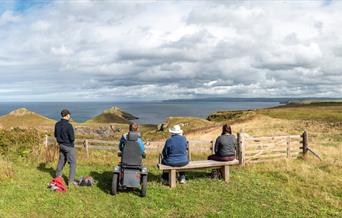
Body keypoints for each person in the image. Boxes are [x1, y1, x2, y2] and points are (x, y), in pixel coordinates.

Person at [54, 109, 77, 186]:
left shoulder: (57, 124)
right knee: (72, 163)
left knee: (61, 160)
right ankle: (70, 181)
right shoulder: (69, 125)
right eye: (69, 115)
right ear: (67, 115)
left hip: (61, 145)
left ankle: (58, 176)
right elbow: (72, 138)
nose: (70, 117)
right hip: (69, 146)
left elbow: (55, 135)